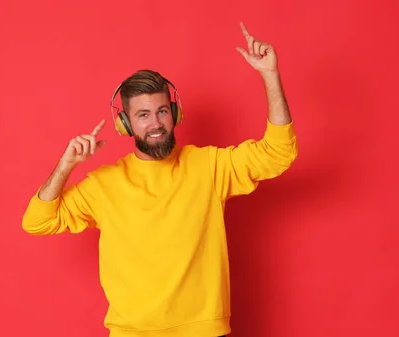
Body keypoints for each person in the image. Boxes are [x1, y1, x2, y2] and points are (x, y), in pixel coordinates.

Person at [22, 22, 298, 337]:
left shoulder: (209, 166)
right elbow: (37, 222)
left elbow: (279, 153)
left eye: (162, 111)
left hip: (203, 331)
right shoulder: (104, 184)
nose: (156, 124)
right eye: (143, 115)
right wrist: (66, 164)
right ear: (124, 124)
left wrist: (270, 75)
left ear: (175, 113)